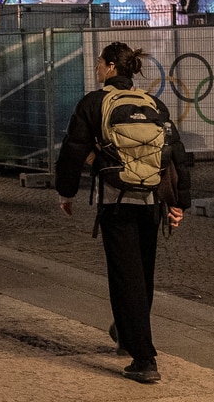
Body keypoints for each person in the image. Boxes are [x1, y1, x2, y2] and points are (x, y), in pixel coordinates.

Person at [55, 42, 192, 385]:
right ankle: (127, 333)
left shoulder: (94, 103)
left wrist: (66, 191)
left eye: (100, 64)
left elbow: (73, 150)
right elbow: (176, 154)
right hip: (151, 204)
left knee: (124, 275)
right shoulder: (154, 104)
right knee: (142, 274)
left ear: (113, 67)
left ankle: (144, 358)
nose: (97, 69)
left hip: (116, 201)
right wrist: (178, 203)